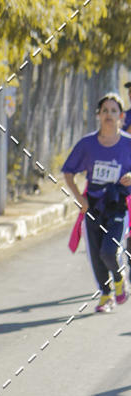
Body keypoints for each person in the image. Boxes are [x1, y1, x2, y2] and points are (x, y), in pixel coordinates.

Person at [62, 92, 131, 312]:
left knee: (108, 251)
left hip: (117, 205)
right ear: (98, 115)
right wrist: (79, 198)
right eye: (105, 111)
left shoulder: (128, 144)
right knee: (95, 253)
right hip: (93, 204)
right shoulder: (87, 144)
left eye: (113, 111)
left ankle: (120, 280)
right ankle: (106, 295)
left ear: (121, 116)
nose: (109, 115)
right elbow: (68, 172)